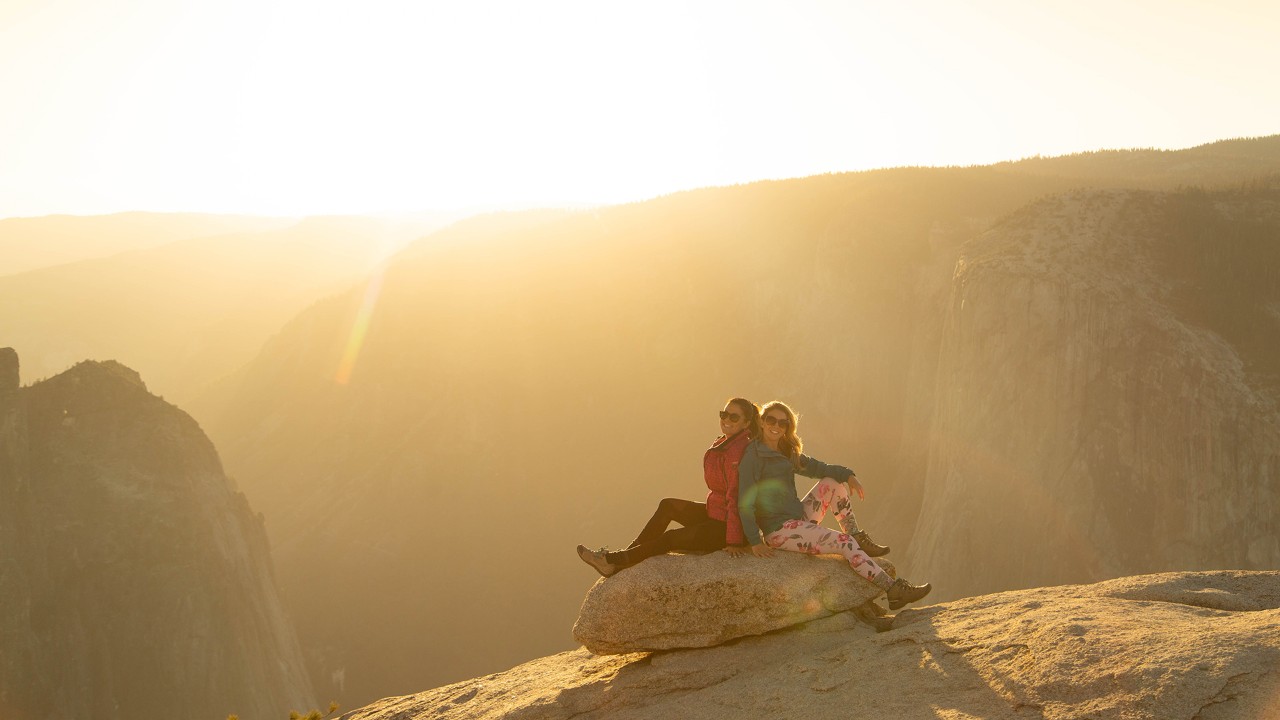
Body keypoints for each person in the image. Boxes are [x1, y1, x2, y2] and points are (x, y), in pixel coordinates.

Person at [737, 400, 931, 610]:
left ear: (787, 428)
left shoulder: (785, 452)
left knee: (832, 483)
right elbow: (745, 503)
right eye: (771, 420)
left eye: (782, 423)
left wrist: (847, 475)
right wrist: (755, 541)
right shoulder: (753, 456)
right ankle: (892, 589)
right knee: (844, 543)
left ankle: (856, 535)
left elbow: (817, 468)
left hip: (797, 518)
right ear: (763, 422)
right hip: (779, 530)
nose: (776, 426)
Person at [576, 397, 761, 576]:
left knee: (670, 538)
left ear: (746, 423)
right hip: (718, 514)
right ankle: (625, 557)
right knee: (668, 505)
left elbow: (738, 498)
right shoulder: (725, 443)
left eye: (733, 417)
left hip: (729, 526)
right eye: (723, 414)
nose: (726, 420)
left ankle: (611, 560)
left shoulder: (739, 453)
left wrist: (735, 540)